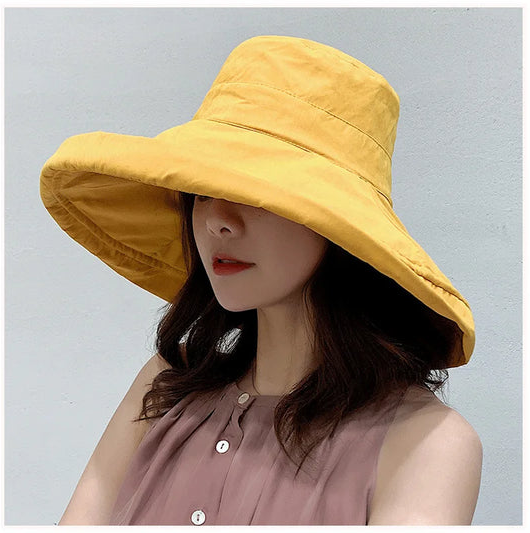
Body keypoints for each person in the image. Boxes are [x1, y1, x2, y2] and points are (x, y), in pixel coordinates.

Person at [39, 35, 483, 525]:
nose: (217, 221)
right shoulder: (166, 386)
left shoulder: (425, 443)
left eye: (255, 194)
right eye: (201, 192)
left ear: (339, 229)